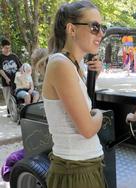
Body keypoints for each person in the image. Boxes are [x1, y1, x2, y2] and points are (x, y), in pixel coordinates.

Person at [42, 1, 106, 188]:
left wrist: (92, 76)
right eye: (95, 27)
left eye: (102, 27)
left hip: (83, 167)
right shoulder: (60, 65)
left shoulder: (73, 66)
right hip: (76, 172)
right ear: (71, 29)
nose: (101, 33)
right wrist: (99, 114)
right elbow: (86, 129)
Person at [0, 38, 22, 116]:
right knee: (8, 96)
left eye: (9, 47)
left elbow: (20, 67)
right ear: (1, 47)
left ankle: (18, 111)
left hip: (16, 81)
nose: (8, 49)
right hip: (6, 81)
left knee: (17, 95)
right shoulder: (1, 57)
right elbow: (1, 70)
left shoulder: (14, 56)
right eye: (6, 48)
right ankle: (10, 112)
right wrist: (6, 78)